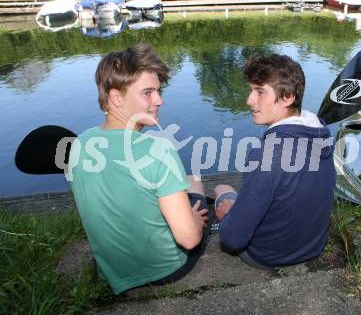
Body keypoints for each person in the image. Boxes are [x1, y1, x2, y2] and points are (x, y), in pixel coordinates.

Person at [68, 44, 210, 295]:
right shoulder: (158, 149)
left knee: (182, 182)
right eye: (148, 93)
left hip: (113, 271)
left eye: (158, 91)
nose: (159, 100)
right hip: (165, 270)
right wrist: (195, 223)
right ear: (116, 97)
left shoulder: (80, 143)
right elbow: (189, 240)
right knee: (195, 182)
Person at [214, 53, 336, 269]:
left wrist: (227, 218)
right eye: (251, 90)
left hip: (269, 255)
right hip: (313, 246)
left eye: (260, 91)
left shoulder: (267, 156)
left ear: (288, 96)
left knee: (221, 188)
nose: (249, 100)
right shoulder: (321, 134)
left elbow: (232, 239)